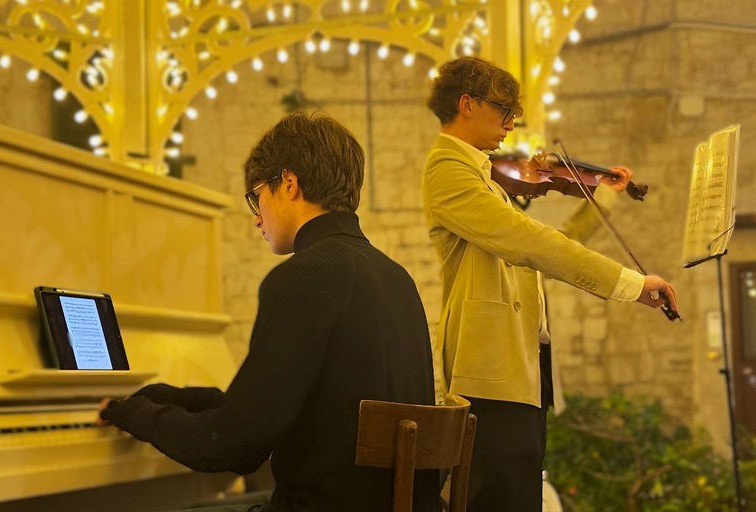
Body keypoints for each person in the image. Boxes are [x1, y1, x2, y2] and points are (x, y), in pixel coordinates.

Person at [99, 111, 441, 512]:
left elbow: (233, 447)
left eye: (257, 196)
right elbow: (279, 409)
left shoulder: (303, 276)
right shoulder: (397, 279)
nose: (257, 218)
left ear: (289, 184)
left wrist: (135, 415)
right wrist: (177, 399)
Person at [421, 57, 679, 512]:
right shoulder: (448, 168)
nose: (511, 123)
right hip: (490, 372)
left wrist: (604, 200)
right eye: (504, 110)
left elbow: (549, 247)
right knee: (497, 500)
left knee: (520, 497)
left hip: (521, 368)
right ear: (466, 104)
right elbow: (530, 242)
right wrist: (629, 283)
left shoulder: (483, 176)